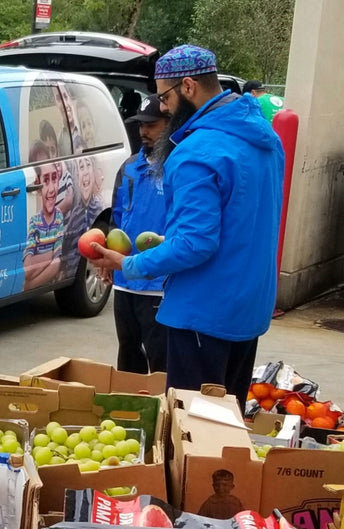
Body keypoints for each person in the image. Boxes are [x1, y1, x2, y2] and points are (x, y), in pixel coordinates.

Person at [90, 45, 284, 410]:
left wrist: (127, 265)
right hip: (248, 309)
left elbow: (196, 244)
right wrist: (171, 241)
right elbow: (243, 224)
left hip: (202, 315)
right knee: (226, 430)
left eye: (164, 96)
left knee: (192, 435)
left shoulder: (196, 152)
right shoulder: (266, 139)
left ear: (189, 87)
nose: (162, 107)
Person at [110, 93, 169, 374]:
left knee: (160, 356)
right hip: (124, 278)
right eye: (140, 125)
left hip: (158, 281)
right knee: (128, 351)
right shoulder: (129, 167)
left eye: (152, 124)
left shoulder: (178, 168)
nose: (144, 131)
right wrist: (108, 259)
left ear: (170, 124)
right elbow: (117, 220)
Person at [23, 142, 65, 289]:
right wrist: (51, 254)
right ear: (38, 185)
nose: (53, 189)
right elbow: (27, 267)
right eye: (46, 180)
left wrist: (29, 285)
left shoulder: (59, 217)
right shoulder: (34, 221)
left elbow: (57, 262)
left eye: (55, 179)